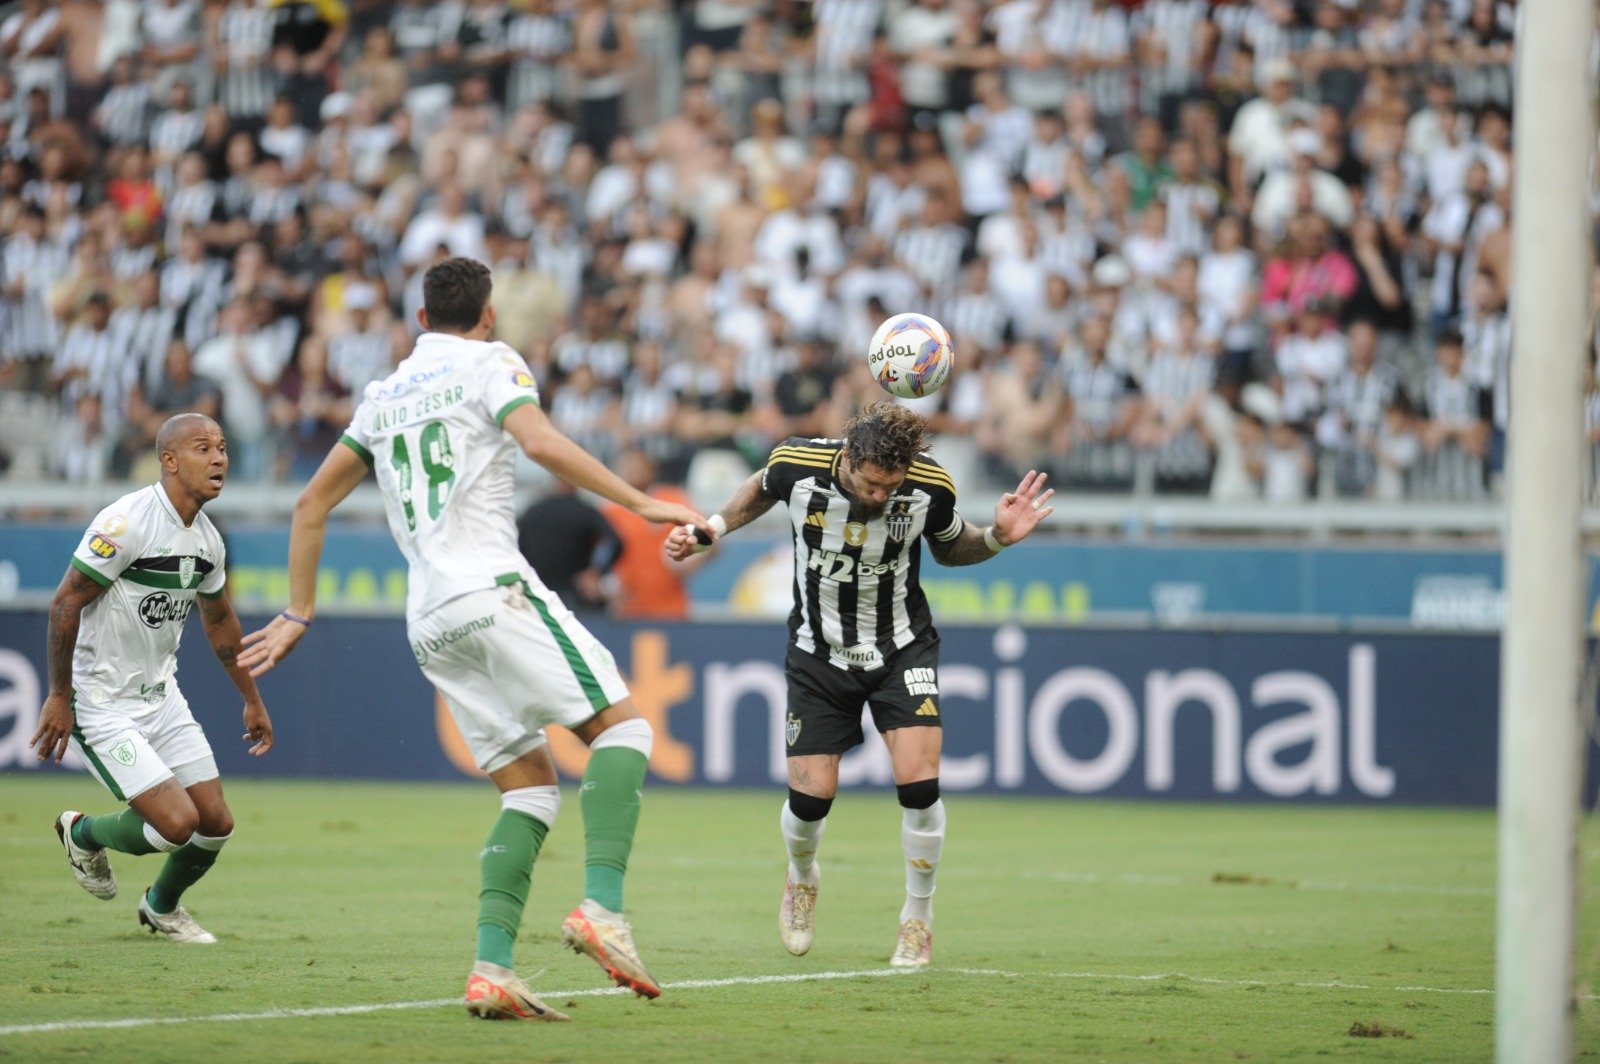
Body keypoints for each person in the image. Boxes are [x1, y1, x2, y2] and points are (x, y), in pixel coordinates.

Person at [238, 257, 706, 1021]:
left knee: (529, 789)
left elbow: (310, 503)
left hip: (428, 618)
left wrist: (297, 611)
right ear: (489, 317)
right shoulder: (492, 363)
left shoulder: (382, 395)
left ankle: (492, 968)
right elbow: (543, 443)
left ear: (420, 322)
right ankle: (602, 908)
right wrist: (641, 505)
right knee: (626, 728)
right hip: (491, 586)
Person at [665, 401, 1053, 967]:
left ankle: (917, 918)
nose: (879, 498)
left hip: (901, 646)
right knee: (809, 801)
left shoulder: (928, 488)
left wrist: (996, 537)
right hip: (818, 654)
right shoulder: (798, 464)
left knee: (920, 786)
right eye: (871, 485)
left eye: (889, 488)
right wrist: (712, 528)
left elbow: (949, 547)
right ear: (848, 460)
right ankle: (802, 878)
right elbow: (761, 485)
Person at [29, 413, 276, 944]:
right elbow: (65, 602)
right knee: (176, 824)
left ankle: (160, 907)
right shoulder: (127, 523)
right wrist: (59, 695)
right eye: (202, 448)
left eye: (223, 448)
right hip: (100, 702)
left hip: (162, 698)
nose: (218, 459)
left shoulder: (207, 540)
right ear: (169, 461)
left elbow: (219, 623)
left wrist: (251, 700)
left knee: (216, 823)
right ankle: (81, 832)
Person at [600, 447, 707, 621]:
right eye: (628, 465)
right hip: (628, 606)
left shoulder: (673, 500)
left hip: (671, 605)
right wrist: (606, 585)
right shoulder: (612, 509)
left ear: (652, 468)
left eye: (638, 464)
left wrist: (692, 559)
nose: (633, 470)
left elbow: (708, 536)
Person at [516, 479, 622, 615]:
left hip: (538, 594)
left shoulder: (532, 511)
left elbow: (517, 549)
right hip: (577, 596)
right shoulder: (583, 510)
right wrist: (596, 570)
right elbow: (613, 541)